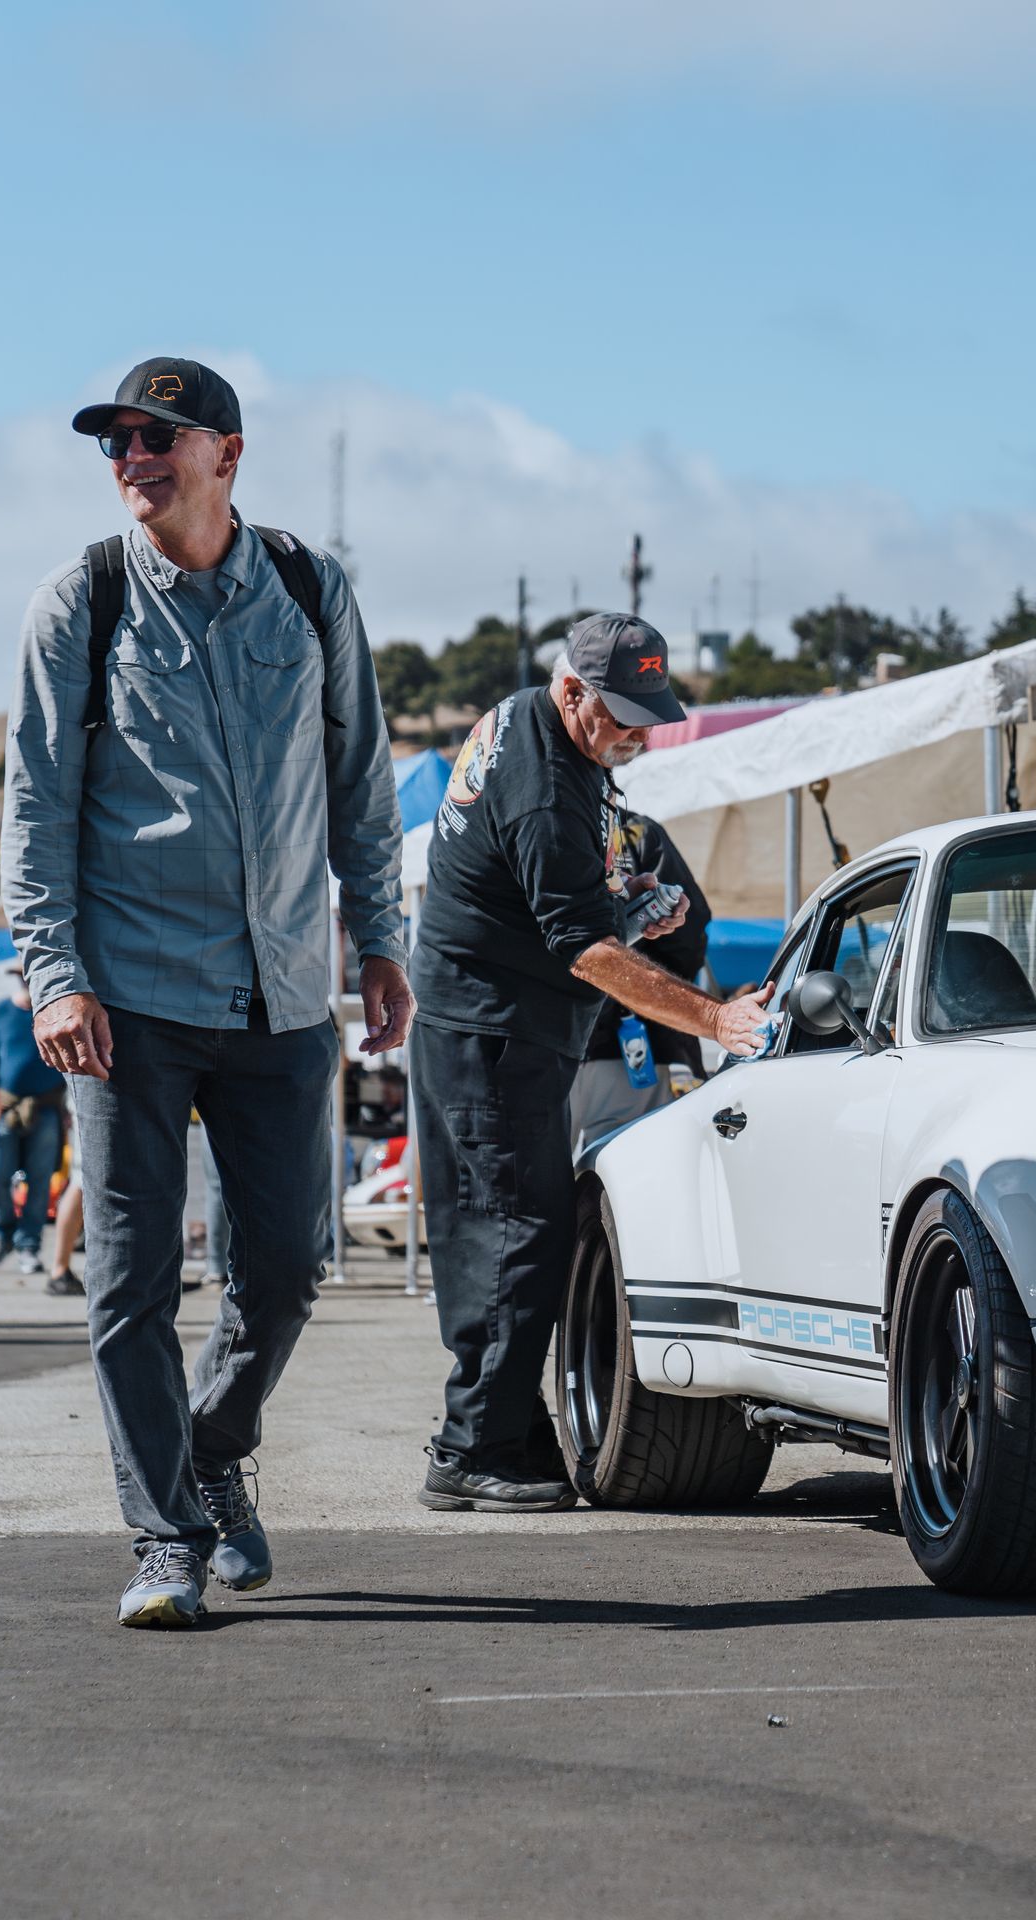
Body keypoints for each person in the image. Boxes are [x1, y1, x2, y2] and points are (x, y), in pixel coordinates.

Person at [4, 356, 411, 1630]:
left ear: (226, 453)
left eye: (157, 435)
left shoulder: (308, 588)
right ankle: (167, 1537)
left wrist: (382, 939)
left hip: (284, 993)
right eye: (117, 438)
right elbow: (36, 805)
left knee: (286, 1271)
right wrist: (55, 977)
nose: (132, 454)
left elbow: (361, 777)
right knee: (129, 1288)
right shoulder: (83, 599)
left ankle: (215, 1448)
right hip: (125, 1005)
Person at [410, 616, 766, 1513]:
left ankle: (506, 1427)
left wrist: (629, 908)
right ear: (572, 691)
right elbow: (583, 951)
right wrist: (716, 1018)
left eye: (652, 714)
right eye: (625, 715)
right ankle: (471, 1447)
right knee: (515, 1234)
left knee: (511, 1228)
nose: (640, 735)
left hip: (491, 1022)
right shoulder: (545, 782)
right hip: (491, 1030)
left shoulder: (545, 736)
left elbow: (555, 907)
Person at [567, 809, 714, 1154]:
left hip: (551, 1036)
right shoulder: (634, 831)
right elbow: (689, 935)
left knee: (537, 1181)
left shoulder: (537, 818)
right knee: (629, 1170)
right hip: (629, 1039)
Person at [0, 977, 67, 1276]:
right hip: (4, 1109)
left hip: (46, 1107)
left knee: (39, 1181)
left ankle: (29, 1246)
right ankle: (3, 1233)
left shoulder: (53, 1010)